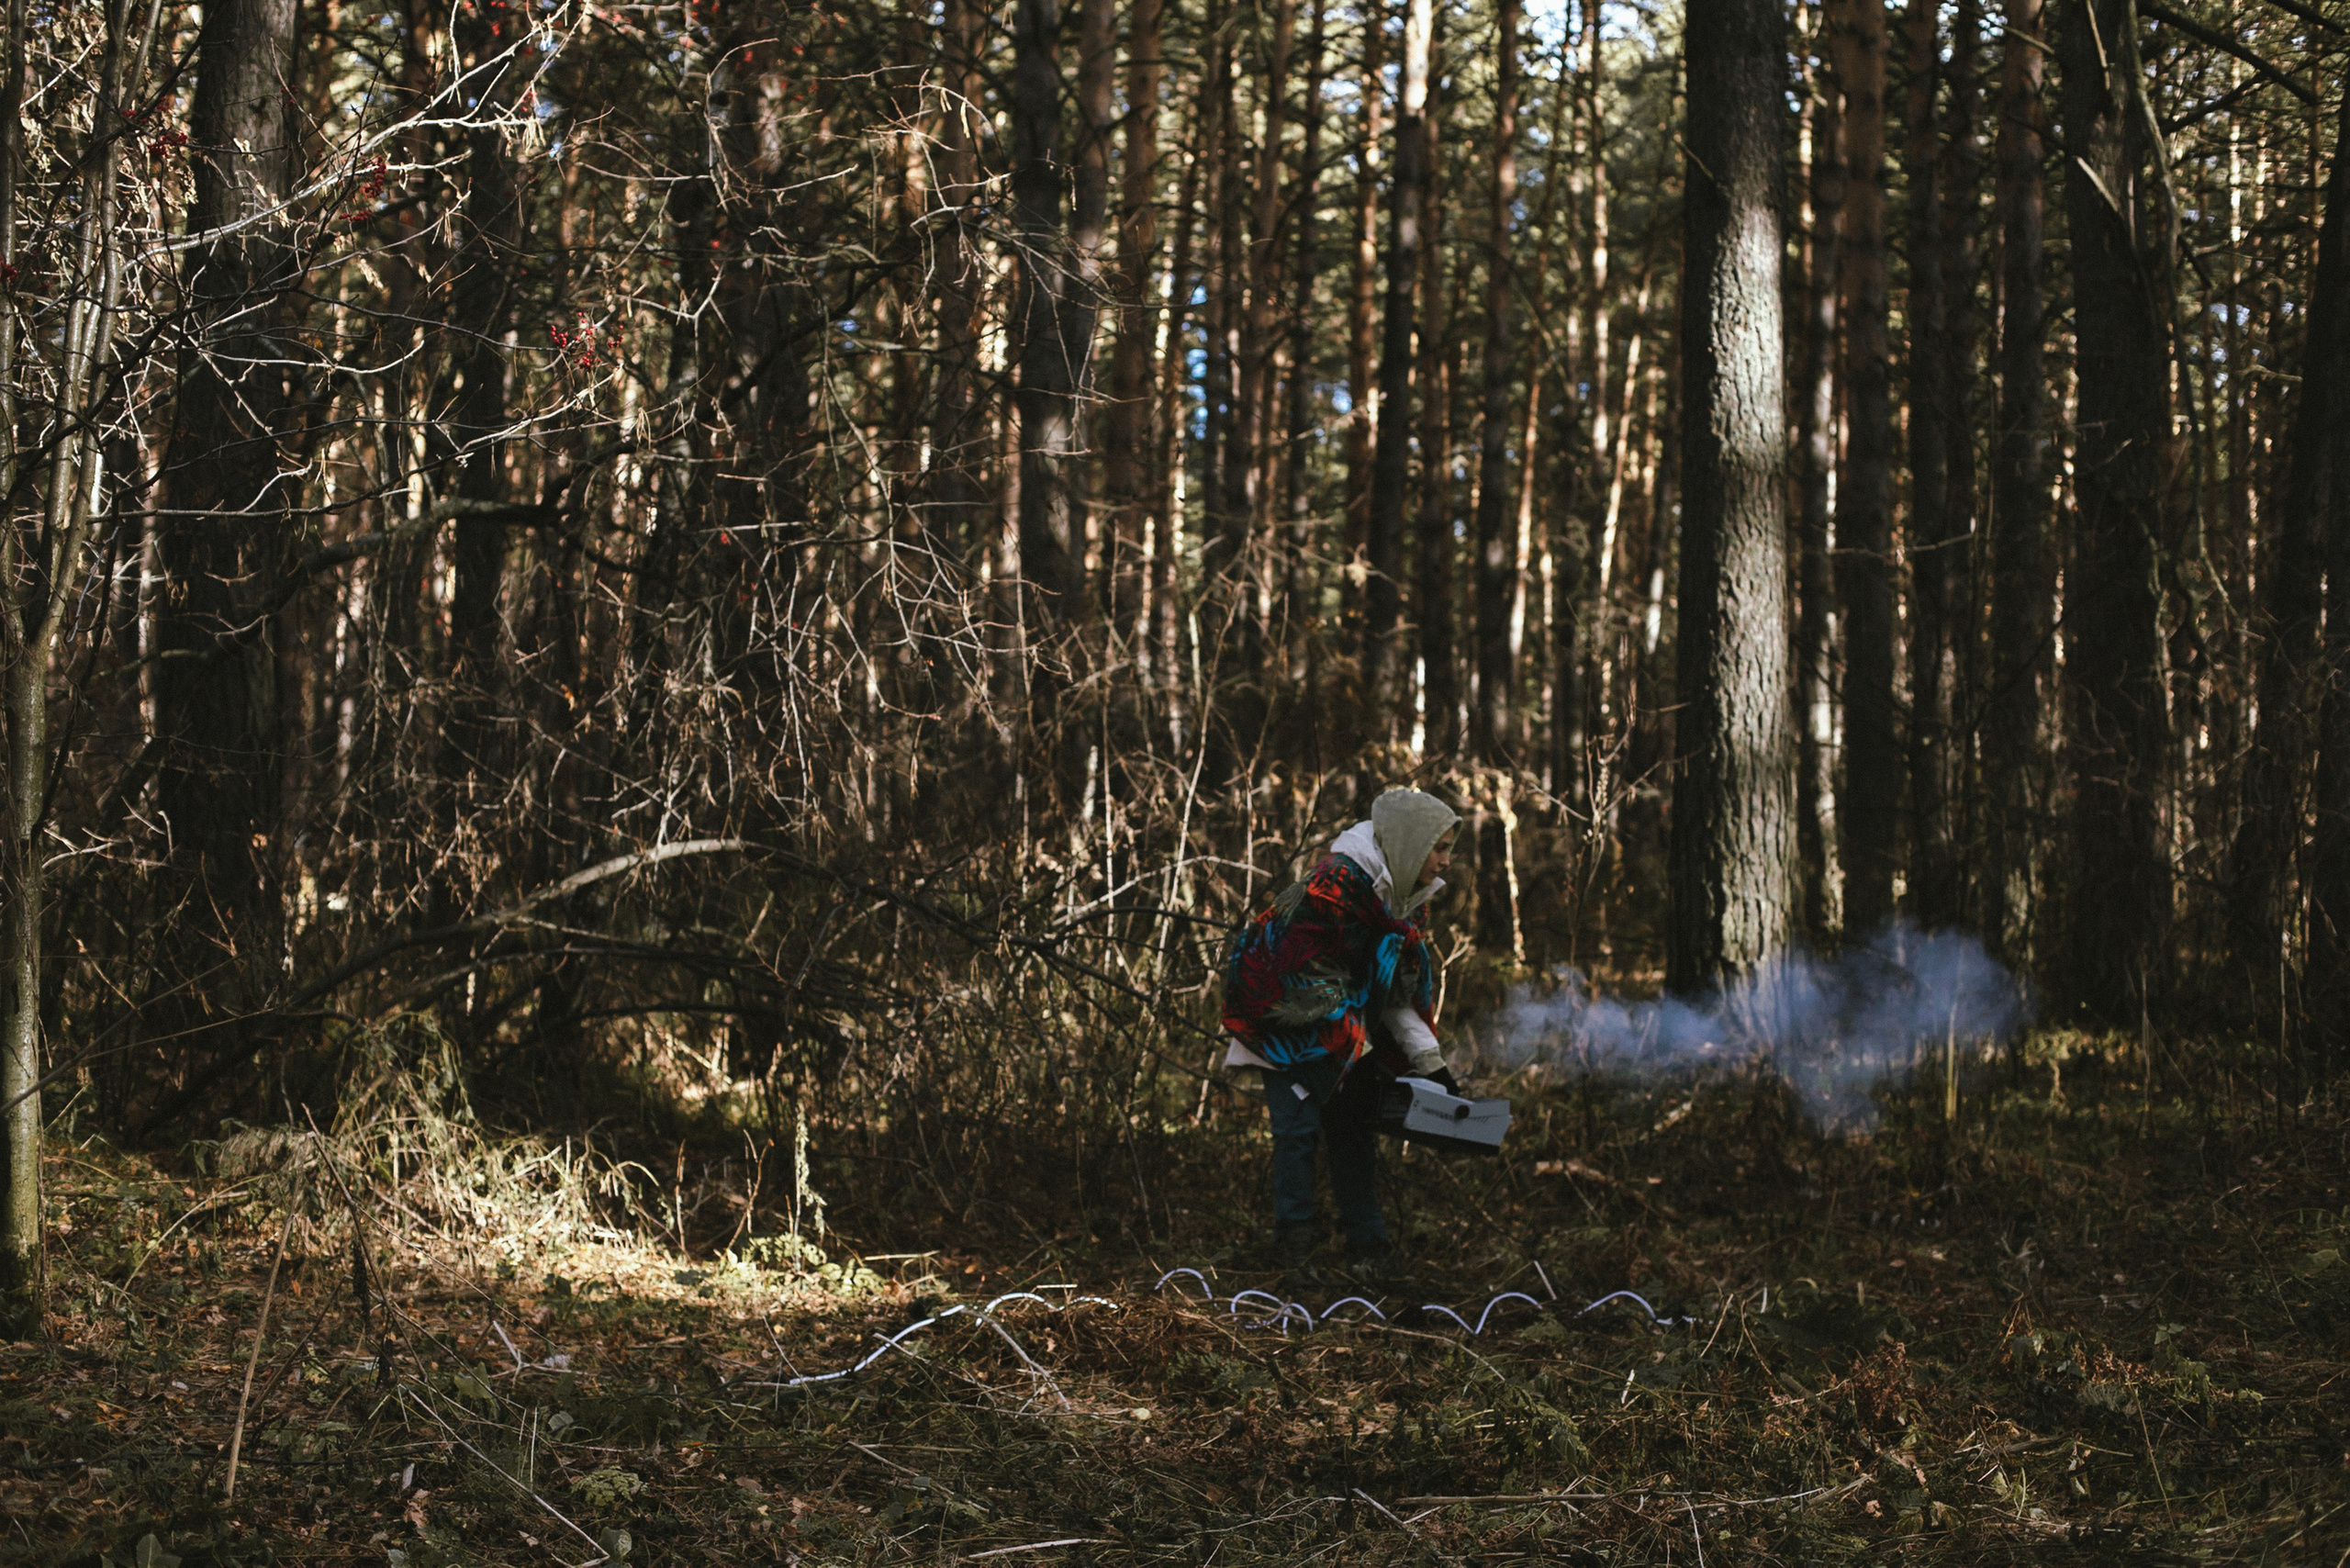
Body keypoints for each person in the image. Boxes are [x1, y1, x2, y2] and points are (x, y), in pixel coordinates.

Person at [1222, 788, 1461, 1289]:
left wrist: (1431, 1064)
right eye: (1438, 847)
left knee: (1353, 1130)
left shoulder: (1404, 901)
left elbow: (1393, 990)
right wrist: (1362, 1052)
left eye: (1448, 849)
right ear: (1411, 842)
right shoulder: (1332, 888)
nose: (1445, 860)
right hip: (1280, 1027)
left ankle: (1368, 1250)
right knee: (1297, 1134)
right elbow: (1303, 978)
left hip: (1344, 1039)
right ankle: (1294, 1254)